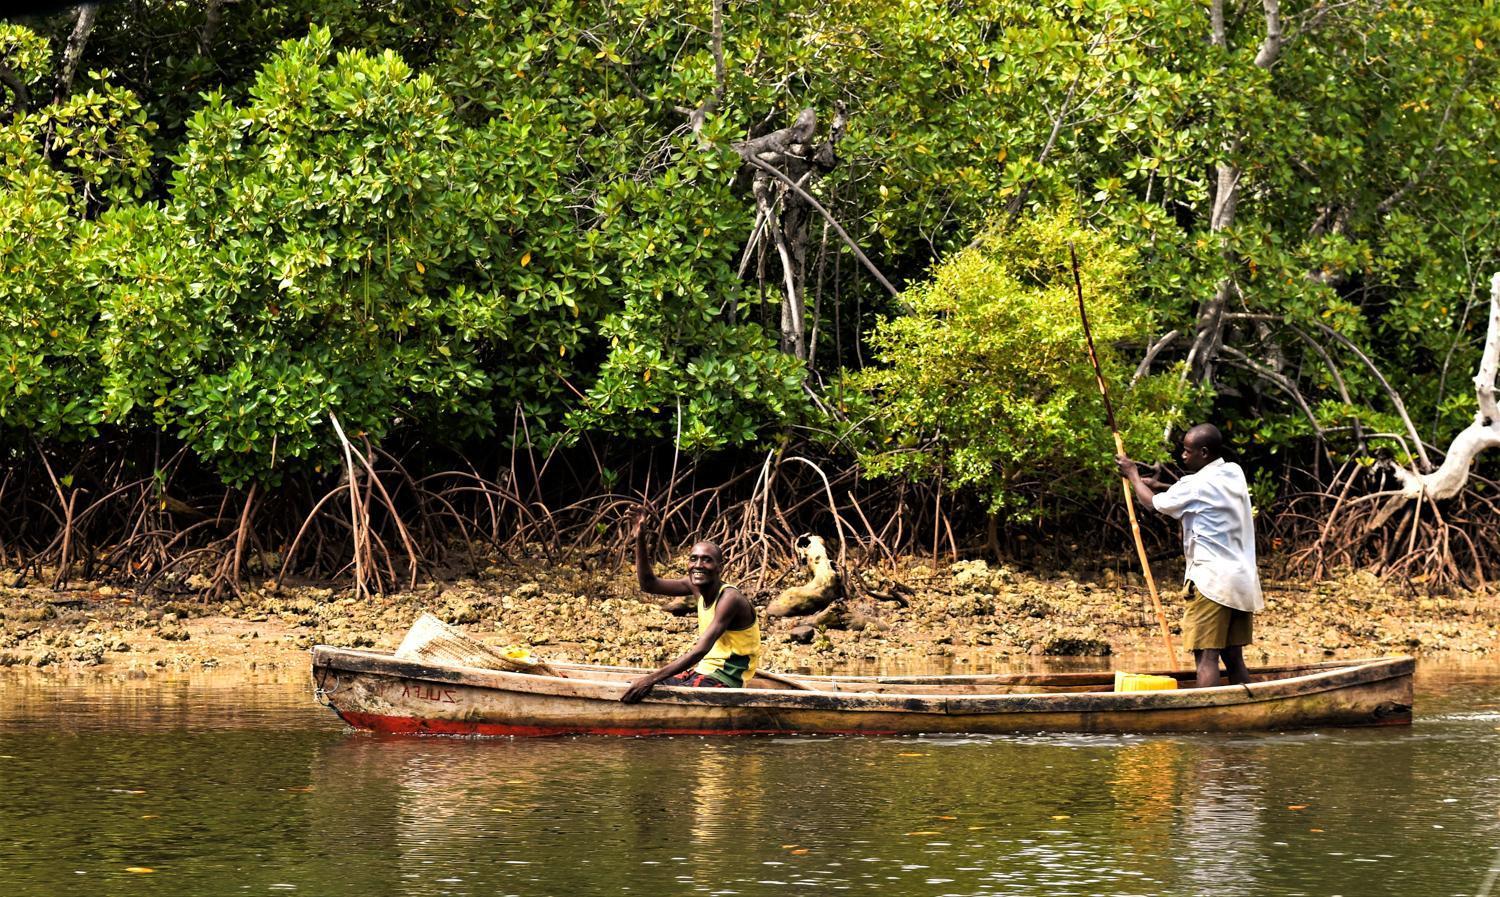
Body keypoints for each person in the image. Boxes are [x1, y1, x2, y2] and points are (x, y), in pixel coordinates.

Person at [1117, 423, 1265, 688]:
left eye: (1187, 451)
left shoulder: (1193, 485)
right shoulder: (1233, 472)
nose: (1183, 456)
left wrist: (1134, 477)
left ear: (1204, 452)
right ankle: (1246, 714)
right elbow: (1196, 493)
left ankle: (1205, 725)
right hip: (1241, 582)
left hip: (1211, 584)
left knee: (1206, 657)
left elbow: (1152, 504)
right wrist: (1160, 484)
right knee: (1234, 657)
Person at [620, 508, 761, 703]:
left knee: (649, 689)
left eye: (707, 560)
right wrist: (640, 537)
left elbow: (700, 650)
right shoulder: (694, 586)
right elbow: (648, 584)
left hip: (726, 678)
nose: (698, 565)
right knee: (628, 686)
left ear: (720, 567)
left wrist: (649, 679)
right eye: (694, 559)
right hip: (703, 671)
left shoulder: (730, 599)